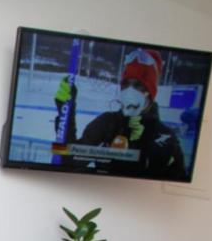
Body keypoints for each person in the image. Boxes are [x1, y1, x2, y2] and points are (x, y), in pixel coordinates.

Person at [53, 48, 186, 180]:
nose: (130, 91)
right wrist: (66, 114)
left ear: (151, 93)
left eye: (139, 85)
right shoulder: (107, 124)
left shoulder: (165, 137)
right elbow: (68, 161)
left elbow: (171, 186)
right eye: (126, 84)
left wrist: (141, 146)